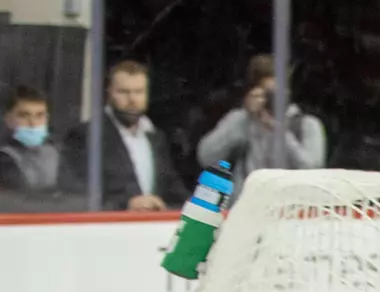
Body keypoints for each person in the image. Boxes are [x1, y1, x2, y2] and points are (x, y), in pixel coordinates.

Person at [58, 61, 189, 212]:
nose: (132, 99)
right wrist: (125, 204)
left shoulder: (156, 137)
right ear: (109, 93)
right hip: (109, 229)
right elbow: (74, 194)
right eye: (124, 92)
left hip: (152, 229)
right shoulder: (86, 135)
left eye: (139, 91)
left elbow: (171, 185)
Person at [196, 54, 326, 180]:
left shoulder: (307, 124)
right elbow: (206, 158)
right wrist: (246, 117)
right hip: (247, 200)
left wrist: (281, 133)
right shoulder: (241, 120)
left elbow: (313, 170)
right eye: (269, 93)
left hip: (288, 200)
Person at [0, 86, 58, 196]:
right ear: (9, 120)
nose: (33, 124)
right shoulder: (4, 158)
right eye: (24, 116)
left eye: (39, 116)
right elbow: (18, 198)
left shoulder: (55, 153)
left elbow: (72, 191)